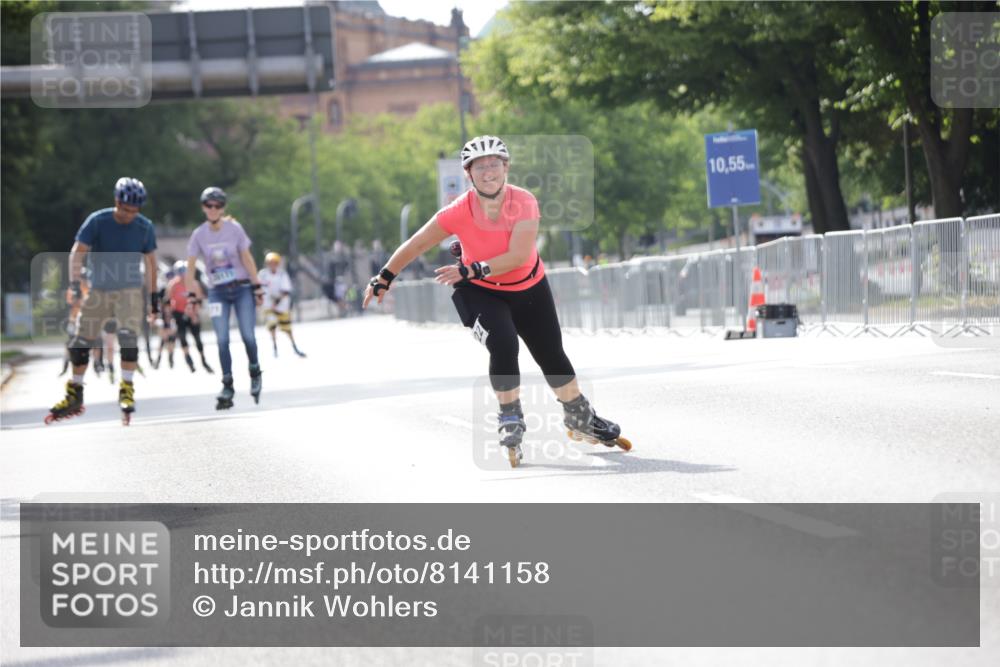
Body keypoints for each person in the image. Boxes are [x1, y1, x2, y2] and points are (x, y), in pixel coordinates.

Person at [363, 135, 629, 468]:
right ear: (468, 174)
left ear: (506, 168)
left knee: (551, 354)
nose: (488, 171)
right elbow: (417, 244)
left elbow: (518, 255)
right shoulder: (458, 211)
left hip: (528, 286)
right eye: (480, 166)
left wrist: (470, 268)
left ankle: (578, 415)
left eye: (494, 164)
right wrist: (383, 277)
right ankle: (509, 415)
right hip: (481, 291)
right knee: (503, 344)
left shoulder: (524, 201)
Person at [47, 177, 159, 425]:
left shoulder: (144, 227)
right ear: (116, 201)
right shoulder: (98, 221)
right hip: (98, 289)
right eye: (125, 209)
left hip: (129, 289)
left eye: (134, 210)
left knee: (129, 338)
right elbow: (77, 253)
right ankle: (75, 393)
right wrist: (75, 285)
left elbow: (151, 264)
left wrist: (154, 298)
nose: (129, 215)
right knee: (80, 342)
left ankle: (127, 389)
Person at [185, 186, 263, 409]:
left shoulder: (234, 229)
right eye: (209, 205)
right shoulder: (199, 234)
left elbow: (247, 258)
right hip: (217, 292)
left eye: (217, 205)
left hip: (241, 289)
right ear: (203, 207)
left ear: (223, 208)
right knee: (221, 339)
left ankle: (255, 371)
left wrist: (257, 286)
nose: (213, 209)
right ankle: (227, 384)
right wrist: (191, 295)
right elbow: (190, 268)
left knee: (248, 335)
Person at [165, 260, 213, 372]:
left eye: (184, 272)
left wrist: (195, 314)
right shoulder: (173, 284)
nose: (182, 275)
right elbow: (167, 301)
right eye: (179, 272)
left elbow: (199, 300)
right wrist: (169, 318)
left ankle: (203, 360)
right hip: (178, 313)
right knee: (182, 336)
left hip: (192, 313)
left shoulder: (193, 283)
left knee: (197, 338)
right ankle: (189, 360)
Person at [258, 251, 306, 358]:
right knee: (272, 326)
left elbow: (286, 291)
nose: (272, 265)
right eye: (270, 263)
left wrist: (277, 302)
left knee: (287, 328)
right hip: (268, 306)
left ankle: (294, 347)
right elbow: (259, 288)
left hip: (281, 306)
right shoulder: (263, 274)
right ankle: (275, 348)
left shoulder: (282, 274)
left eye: (274, 263)